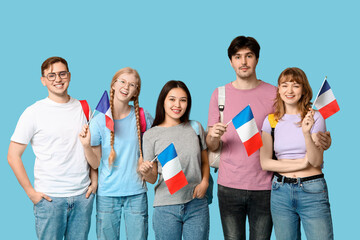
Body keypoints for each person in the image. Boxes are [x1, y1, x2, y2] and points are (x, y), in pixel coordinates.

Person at [206, 36, 332, 240]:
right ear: (231, 61)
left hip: (266, 186)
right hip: (229, 184)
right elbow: (211, 145)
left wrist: (324, 139)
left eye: (249, 56)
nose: (244, 62)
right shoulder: (219, 95)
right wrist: (212, 136)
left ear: (257, 59)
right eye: (238, 57)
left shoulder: (275, 93)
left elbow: (293, 123)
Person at [7, 56, 97, 240]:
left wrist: (94, 181)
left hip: (82, 197)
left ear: (69, 76)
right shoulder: (33, 112)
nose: (58, 79)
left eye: (62, 73)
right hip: (49, 199)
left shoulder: (84, 108)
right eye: (51, 75)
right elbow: (13, 156)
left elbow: (92, 149)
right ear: (43, 81)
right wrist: (31, 193)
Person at [79, 67, 153, 240]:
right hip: (107, 195)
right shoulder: (98, 121)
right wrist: (86, 145)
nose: (126, 87)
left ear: (136, 92)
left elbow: (151, 150)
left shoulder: (143, 117)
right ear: (113, 85)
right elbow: (95, 163)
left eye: (132, 84)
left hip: (136, 194)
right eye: (122, 81)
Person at [260, 67, 333, 240]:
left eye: (295, 85)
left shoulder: (315, 117)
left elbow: (315, 161)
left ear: (304, 89)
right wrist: (301, 163)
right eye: (284, 85)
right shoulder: (271, 120)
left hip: (312, 190)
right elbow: (265, 163)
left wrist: (307, 133)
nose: (289, 90)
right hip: (280, 191)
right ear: (278, 89)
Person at [139, 80, 210, 240]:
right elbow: (152, 179)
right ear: (163, 101)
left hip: (196, 203)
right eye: (172, 99)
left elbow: (205, 161)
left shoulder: (196, 127)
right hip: (166, 206)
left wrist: (204, 182)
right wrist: (146, 172)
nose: (177, 104)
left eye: (183, 100)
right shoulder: (151, 135)